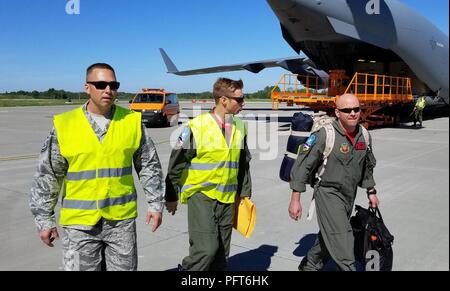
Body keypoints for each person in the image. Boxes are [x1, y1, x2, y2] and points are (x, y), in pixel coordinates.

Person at [29, 63, 165, 271]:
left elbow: (149, 166)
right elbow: (48, 175)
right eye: (101, 84)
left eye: (113, 84)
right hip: (78, 226)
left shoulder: (131, 121)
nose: (108, 90)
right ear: (87, 87)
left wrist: (156, 204)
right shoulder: (65, 125)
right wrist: (44, 219)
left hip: (120, 222)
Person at [165, 78, 252, 271]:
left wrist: (244, 194)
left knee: (221, 255)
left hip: (227, 198)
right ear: (223, 100)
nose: (243, 103)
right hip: (201, 195)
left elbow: (243, 163)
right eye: (239, 99)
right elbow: (176, 163)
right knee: (206, 250)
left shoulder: (240, 126)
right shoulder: (195, 127)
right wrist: (171, 196)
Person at [288, 93, 380, 271]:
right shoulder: (325, 135)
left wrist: (371, 191)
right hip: (328, 192)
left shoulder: (364, 136)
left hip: (349, 193)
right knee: (342, 238)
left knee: (330, 234)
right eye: (347, 110)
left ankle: (310, 264)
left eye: (356, 109)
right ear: (337, 113)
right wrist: (295, 199)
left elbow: (367, 165)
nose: (353, 113)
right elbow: (302, 166)